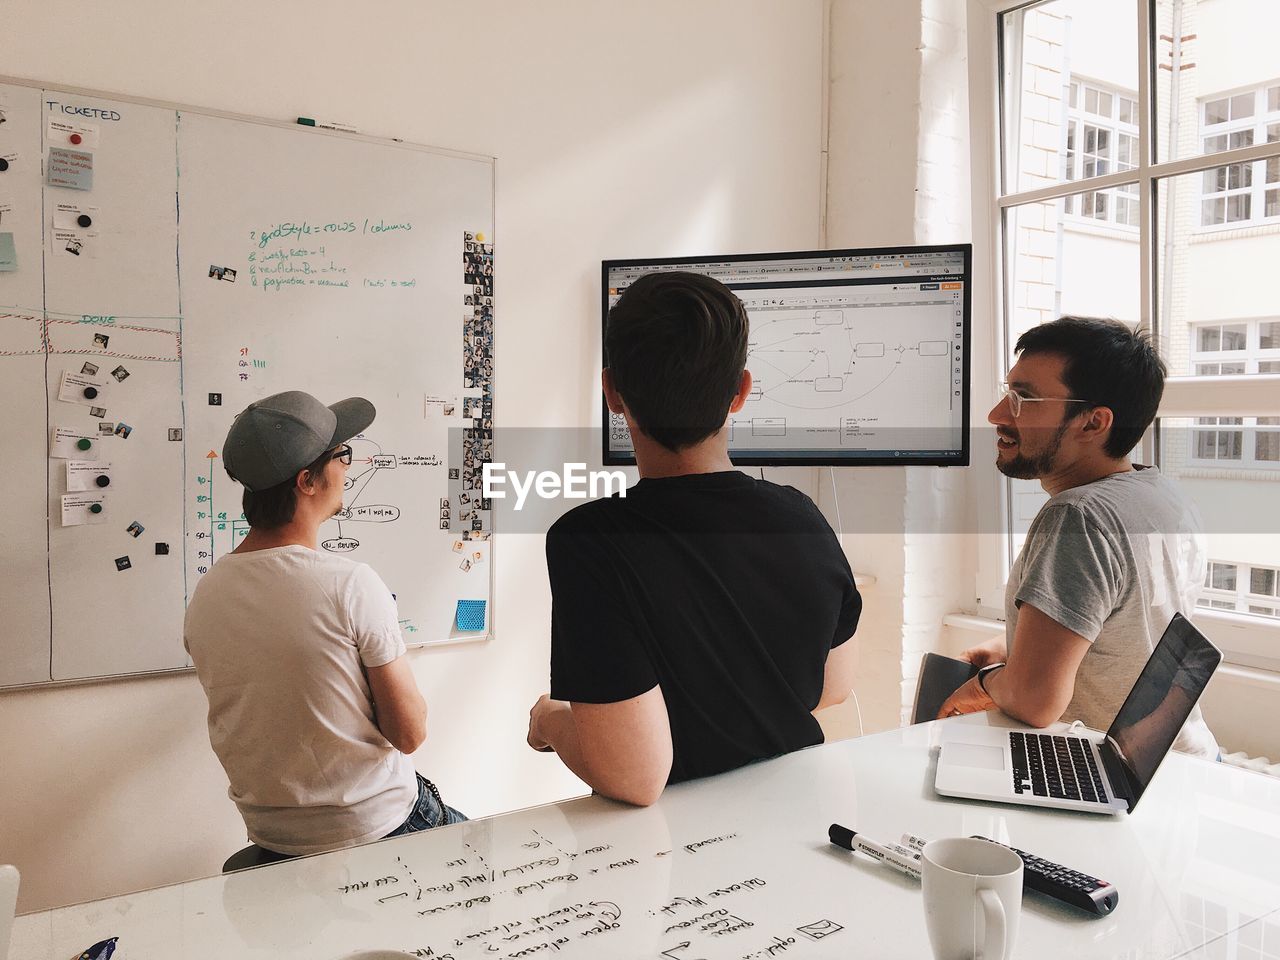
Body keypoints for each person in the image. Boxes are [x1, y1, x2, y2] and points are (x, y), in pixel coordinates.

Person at [526, 271, 862, 806]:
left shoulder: (588, 541)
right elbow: (833, 686)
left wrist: (549, 719)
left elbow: (634, 778)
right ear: (741, 392)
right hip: (803, 819)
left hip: (685, 860)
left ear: (613, 392)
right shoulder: (802, 514)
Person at [184, 390, 463, 860]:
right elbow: (410, 734)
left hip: (273, 841)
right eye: (342, 456)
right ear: (307, 482)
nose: (348, 469)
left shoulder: (207, 594)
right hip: (377, 826)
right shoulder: (348, 584)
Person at [938, 316, 1219, 759]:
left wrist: (986, 684)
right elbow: (1131, 625)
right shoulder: (1159, 493)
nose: (996, 415)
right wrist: (1021, 643)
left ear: (1093, 423)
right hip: (1183, 762)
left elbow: (1035, 702)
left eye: (1023, 399)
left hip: (1113, 781)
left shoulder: (1077, 517)